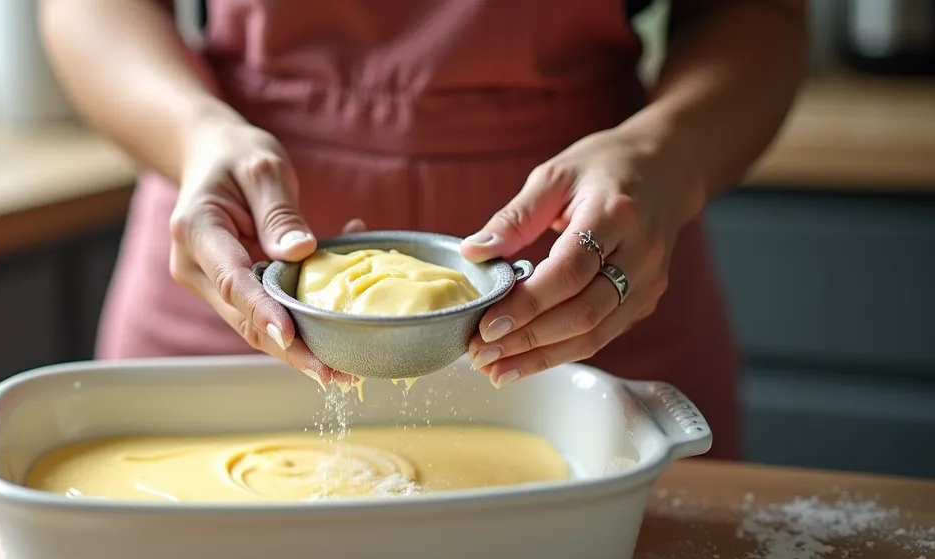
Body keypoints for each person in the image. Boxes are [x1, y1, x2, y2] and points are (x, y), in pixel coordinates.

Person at [40, 0, 807, 461]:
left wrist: (663, 153)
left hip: (588, 274)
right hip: (233, 262)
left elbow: (758, 14)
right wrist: (194, 133)